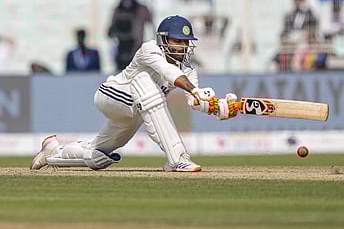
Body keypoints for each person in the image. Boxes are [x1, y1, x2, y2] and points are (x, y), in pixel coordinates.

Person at [31, 15, 239, 172]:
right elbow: (169, 73)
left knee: (98, 157)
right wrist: (195, 90)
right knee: (145, 83)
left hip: (137, 110)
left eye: (185, 42)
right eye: (177, 41)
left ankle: (52, 152)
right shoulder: (150, 49)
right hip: (114, 95)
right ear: (163, 40)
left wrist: (217, 107)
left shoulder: (189, 70)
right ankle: (178, 159)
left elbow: (194, 102)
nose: (182, 47)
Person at [108, 0, 153, 71]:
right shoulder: (118, 10)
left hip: (137, 49)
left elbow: (151, 26)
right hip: (122, 48)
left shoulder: (142, 9)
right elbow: (110, 31)